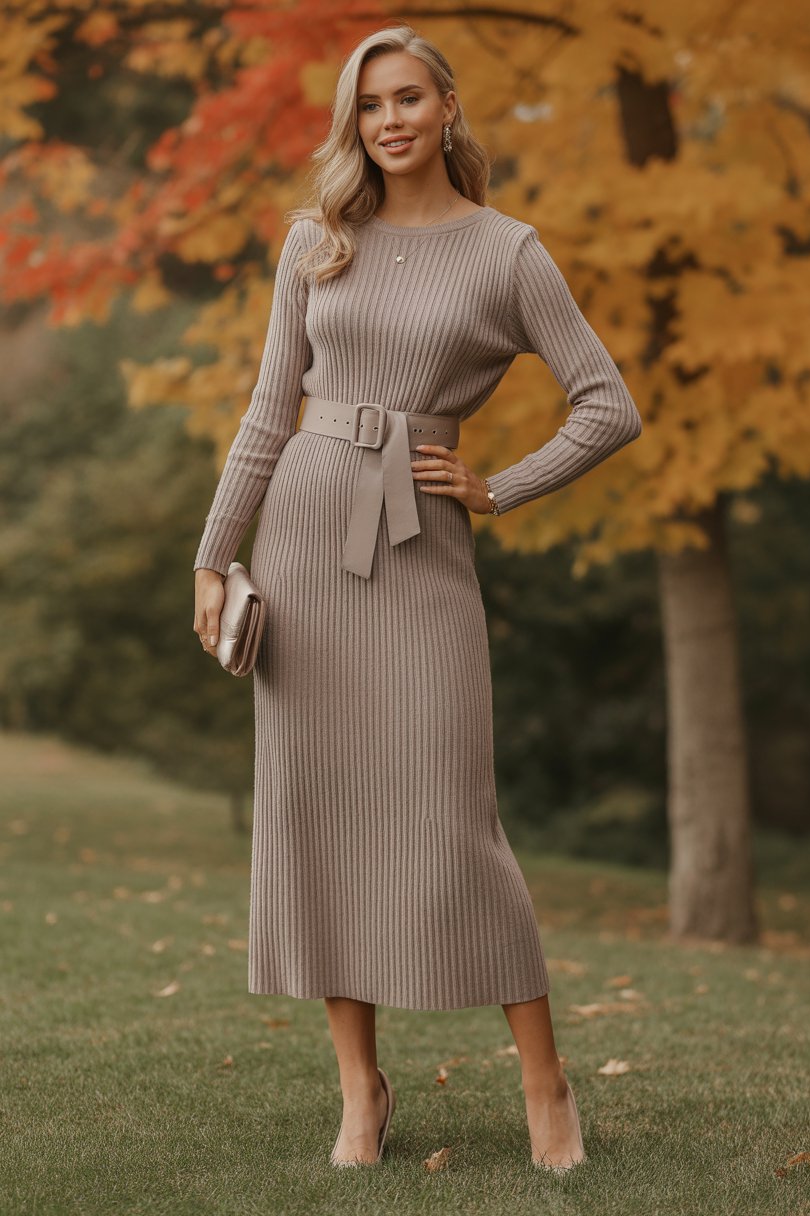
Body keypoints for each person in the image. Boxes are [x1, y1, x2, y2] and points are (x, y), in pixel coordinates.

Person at [193, 23, 642, 1172]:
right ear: (357, 123)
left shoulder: (507, 254)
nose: (389, 120)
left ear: (447, 106)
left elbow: (606, 402)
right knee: (318, 815)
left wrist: (499, 488)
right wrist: (212, 554)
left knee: (455, 820)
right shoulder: (318, 241)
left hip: (422, 543)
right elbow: (264, 411)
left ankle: (545, 1088)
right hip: (302, 535)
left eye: (408, 97)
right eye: (370, 105)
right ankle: (360, 1092)